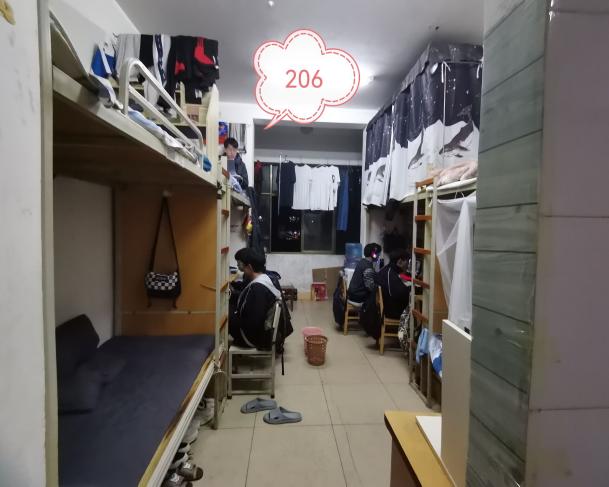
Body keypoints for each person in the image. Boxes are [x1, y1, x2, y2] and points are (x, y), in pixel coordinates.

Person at [229, 248, 281, 349]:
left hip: (252, 338)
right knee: (229, 308)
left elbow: (253, 323)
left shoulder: (258, 288)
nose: (239, 268)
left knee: (223, 313)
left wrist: (232, 316)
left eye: (240, 265)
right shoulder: (264, 278)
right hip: (257, 333)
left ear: (249, 267)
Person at [378, 248, 411, 320]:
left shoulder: (387, 270)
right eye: (407, 261)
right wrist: (410, 288)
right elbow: (399, 294)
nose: (408, 264)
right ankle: (410, 327)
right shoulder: (390, 274)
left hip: (388, 307)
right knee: (415, 307)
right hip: (392, 312)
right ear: (400, 261)